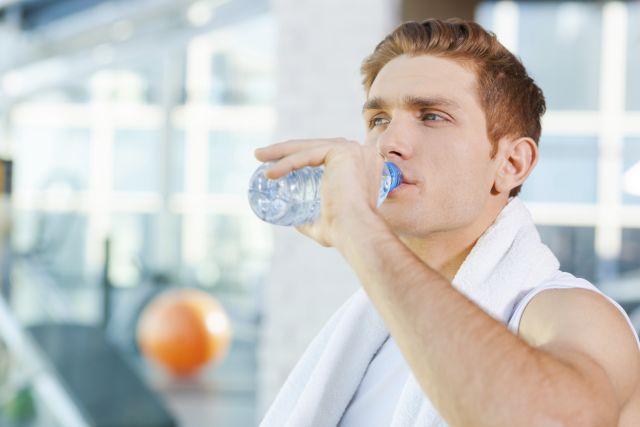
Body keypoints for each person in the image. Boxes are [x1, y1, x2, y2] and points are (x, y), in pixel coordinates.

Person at [257, 18, 640, 426]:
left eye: (432, 116)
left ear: (512, 164)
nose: (389, 144)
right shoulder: (371, 333)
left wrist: (357, 228)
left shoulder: (567, 311)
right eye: (379, 120)